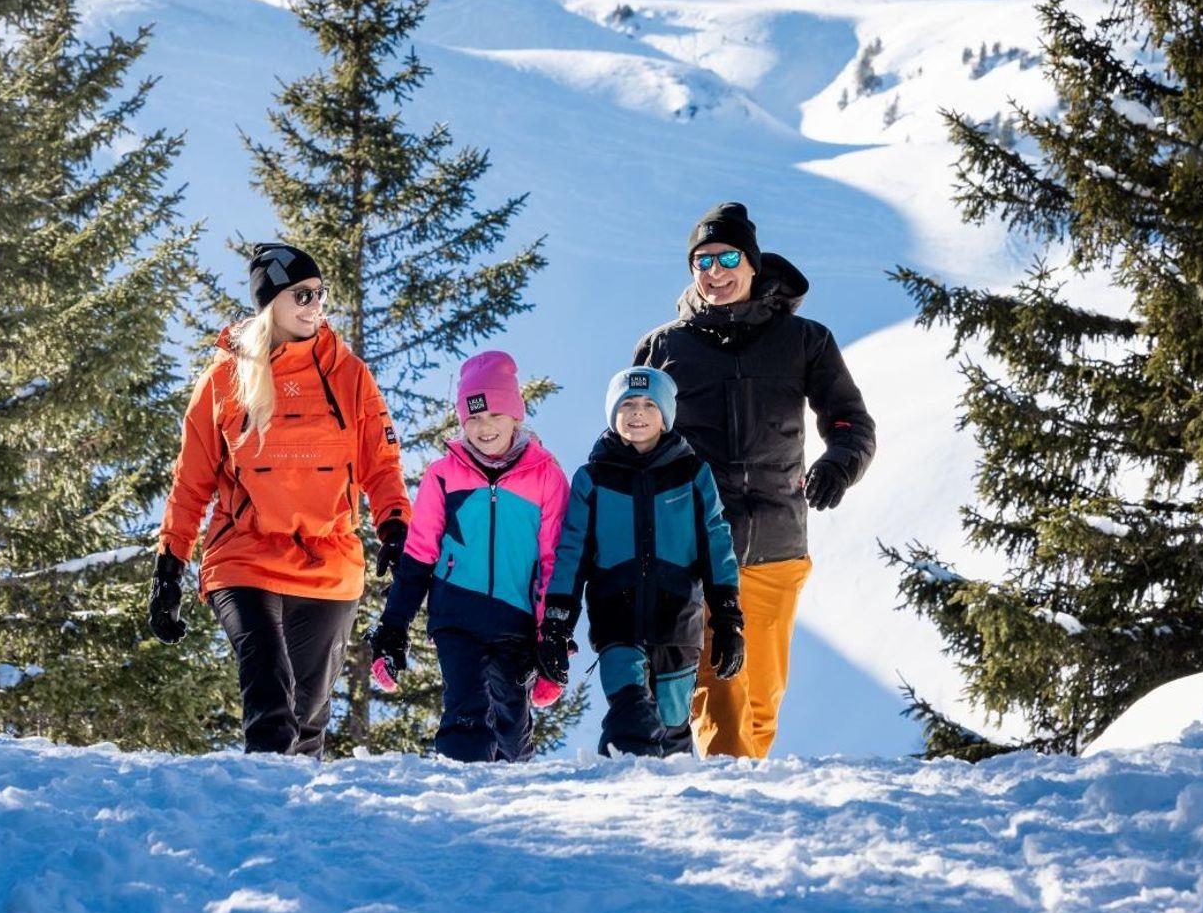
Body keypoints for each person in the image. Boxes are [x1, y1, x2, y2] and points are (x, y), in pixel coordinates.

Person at [633, 201, 875, 760]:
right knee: (719, 691)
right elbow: (633, 438)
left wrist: (839, 464)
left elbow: (851, 422)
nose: (715, 272)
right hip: (696, 546)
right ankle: (725, 798)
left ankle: (746, 794)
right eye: (703, 262)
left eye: (727, 258)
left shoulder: (804, 341)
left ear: (752, 263)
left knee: (760, 704)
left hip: (777, 543)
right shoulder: (664, 348)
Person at [148, 242, 410, 756]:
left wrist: (395, 527)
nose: (316, 305)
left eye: (320, 293)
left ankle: (294, 804)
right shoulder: (224, 379)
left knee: (306, 719)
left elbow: (381, 463)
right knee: (270, 696)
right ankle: (262, 789)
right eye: (302, 295)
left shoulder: (349, 375)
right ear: (271, 303)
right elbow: (191, 483)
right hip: (244, 556)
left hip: (328, 562)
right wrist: (168, 569)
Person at [365, 351, 571, 762]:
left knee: (512, 723)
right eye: (473, 417)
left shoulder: (546, 476)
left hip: (515, 619)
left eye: (494, 414)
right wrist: (393, 628)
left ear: (515, 415)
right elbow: (419, 556)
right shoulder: (443, 475)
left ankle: (515, 785)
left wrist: (553, 636)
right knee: (466, 708)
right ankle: (460, 784)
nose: (484, 427)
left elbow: (555, 563)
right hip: (456, 615)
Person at [538, 366, 743, 757]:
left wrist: (728, 619)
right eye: (627, 403)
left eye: (650, 404)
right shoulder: (593, 479)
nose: (637, 412)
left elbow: (717, 548)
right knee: (630, 712)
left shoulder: (693, 475)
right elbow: (571, 556)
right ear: (612, 413)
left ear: (665, 416)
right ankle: (618, 780)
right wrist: (556, 625)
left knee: (671, 725)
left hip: (678, 622)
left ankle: (673, 790)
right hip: (617, 622)